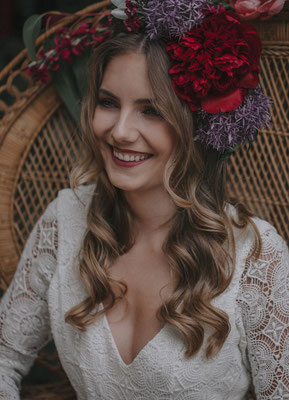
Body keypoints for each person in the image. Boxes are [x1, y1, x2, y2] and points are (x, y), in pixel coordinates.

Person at [0, 1, 288, 399]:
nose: (119, 131)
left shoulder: (255, 255)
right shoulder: (65, 219)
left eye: (151, 110)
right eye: (108, 102)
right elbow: (3, 358)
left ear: (197, 125)